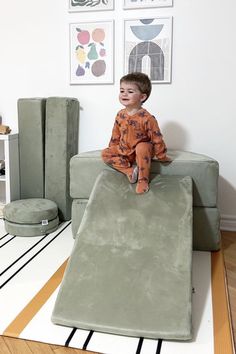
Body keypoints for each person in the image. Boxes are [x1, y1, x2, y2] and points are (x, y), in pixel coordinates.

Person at [101, 72, 171, 194]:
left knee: (142, 147)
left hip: (142, 150)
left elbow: (157, 138)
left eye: (130, 91)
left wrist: (162, 156)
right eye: (122, 90)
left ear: (142, 97)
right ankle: (130, 171)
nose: (124, 94)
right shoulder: (120, 114)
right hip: (125, 150)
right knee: (105, 153)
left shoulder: (147, 118)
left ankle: (143, 179)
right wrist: (113, 149)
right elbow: (115, 134)